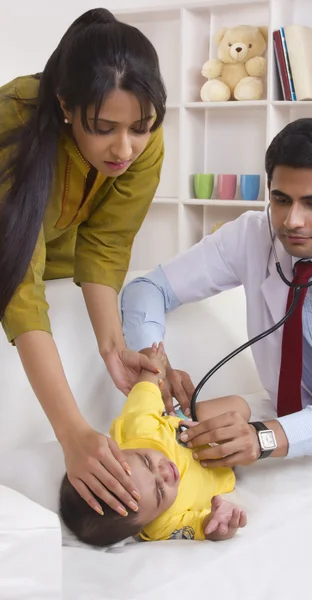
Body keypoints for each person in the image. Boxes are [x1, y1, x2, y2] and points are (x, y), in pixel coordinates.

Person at [121, 117, 312, 468]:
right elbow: (148, 289)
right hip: (295, 415)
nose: (292, 221)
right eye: (281, 199)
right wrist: (153, 358)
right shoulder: (252, 234)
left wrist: (264, 437)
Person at [0, 8, 167, 517]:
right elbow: (18, 287)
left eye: (140, 127)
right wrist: (71, 433)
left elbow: (107, 245)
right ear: (65, 107)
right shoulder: (13, 119)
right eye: (103, 128)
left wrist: (112, 345)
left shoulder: (143, 137)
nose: (125, 148)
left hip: (55, 257)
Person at [60, 342, 248, 545]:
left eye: (147, 461)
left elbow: (146, 385)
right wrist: (220, 523)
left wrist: (154, 362)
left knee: (241, 408)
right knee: (241, 440)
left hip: (192, 428)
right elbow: (203, 527)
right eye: (159, 492)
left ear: (118, 449)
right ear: (144, 526)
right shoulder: (162, 526)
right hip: (225, 465)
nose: (166, 473)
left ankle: (176, 418)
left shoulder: (137, 425)